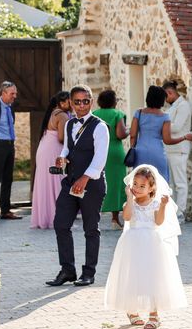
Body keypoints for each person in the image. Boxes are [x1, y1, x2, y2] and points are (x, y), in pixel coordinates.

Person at [104, 165, 187, 329]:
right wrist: (129, 197)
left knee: (153, 277)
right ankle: (132, 310)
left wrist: (162, 206)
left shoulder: (155, 204)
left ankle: (154, 314)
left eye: (142, 186)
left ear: (151, 188)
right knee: (132, 276)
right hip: (132, 243)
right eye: (135, 184)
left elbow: (158, 222)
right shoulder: (130, 203)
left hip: (152, 244)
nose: (137, 188)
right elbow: (127, 217)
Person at [46, 84, 110, 287]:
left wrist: (84, 179)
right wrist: (62, 158)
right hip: (71, 183)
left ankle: (88, 273)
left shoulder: (100, 126)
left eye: (85, 101)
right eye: (77, 102)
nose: (81, 105)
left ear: (91, 102)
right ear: (71, 103)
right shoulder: (69, 123)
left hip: (92, 185)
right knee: (60, 224)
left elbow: (100, 159)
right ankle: (67, 270)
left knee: (91, 229)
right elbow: (66, 148)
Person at [130, 85, 192, 182]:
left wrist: (132, 148)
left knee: (140, 183)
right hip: (158, 153)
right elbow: (167, 140)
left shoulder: (138, 113)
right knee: (159, 184)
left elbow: (133, 135)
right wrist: (184, 137)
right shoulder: (164, 116)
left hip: (140, 152)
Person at [31, 91, 71, 229]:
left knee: (46, 183)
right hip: (54, 150)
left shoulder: (52, 112)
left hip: (44, 149)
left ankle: (45, 216)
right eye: (69, 101)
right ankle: (57, 216)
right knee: (58, 182)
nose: (72, 103)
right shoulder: (62, 115)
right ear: (61, 103)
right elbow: (61, 138)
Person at [93, 89, 129, 229]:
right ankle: (115, 219)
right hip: (115, 151)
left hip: (99, 151)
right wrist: (128, 131)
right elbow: (120, 134)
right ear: (113, 101)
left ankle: (95, 216)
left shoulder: (94, 115)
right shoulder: (117, 114)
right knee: (116, 183)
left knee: (97, 182)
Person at [0, 81, 22, 221]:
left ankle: (5, 211)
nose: (15, 96)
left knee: (8, 179)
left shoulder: (10, 107)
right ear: (3, 93)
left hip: (10, 145)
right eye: (12, 93)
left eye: (15, 93)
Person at [163, 80, 192, 220]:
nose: (165, 100)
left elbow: (177, 127)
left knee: (180, 182)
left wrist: (162, 124)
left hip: (179, 149)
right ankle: (173, 211)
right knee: (172, 184)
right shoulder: (173, 106)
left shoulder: (183, 106)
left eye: (166, 97)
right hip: (170, 149)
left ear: (170, 93)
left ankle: (180, 212)